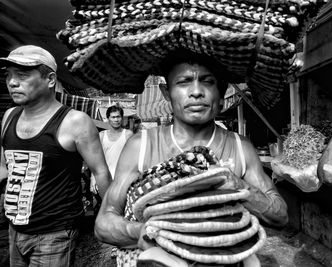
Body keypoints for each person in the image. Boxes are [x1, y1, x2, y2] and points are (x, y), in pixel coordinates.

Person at [94, 50, 288, 266]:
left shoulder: (240, 147)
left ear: (221, 92)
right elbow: (103, 223)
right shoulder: (141, 145)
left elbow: (280, 215)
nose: (196, 92)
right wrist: (145, 231)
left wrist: (237, 186)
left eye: (208, 82)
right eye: (184, 82)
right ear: (167, 92)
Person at [0, 45, 112, 266]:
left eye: (22, 75)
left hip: (54, 234)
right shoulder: (9, 116)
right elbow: (5, 164)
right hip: (15, 228)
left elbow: (100, 172)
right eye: (8, 75)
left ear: (50, 80)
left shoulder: (75, 122)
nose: (12, 82)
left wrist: (110, 217)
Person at [90, 105, 133, 194]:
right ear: (108, 118)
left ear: (122, 118)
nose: (116, 120)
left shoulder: (128, 134)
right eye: (113, 117)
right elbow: (95, 159)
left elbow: (133, 157)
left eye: (118, 117)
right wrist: (93, 178)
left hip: (123, 179)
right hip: (104, 179)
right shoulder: (102, 135)